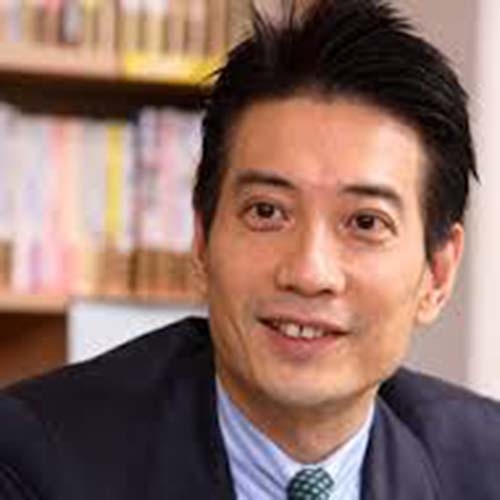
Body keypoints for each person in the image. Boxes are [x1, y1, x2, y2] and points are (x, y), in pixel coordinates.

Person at [1, 0, 499, 499]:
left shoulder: (486, 467)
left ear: (437, 275)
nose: (309, 272)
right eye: (267, 212)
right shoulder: (34, 465)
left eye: (365, 222)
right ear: (202, 239)